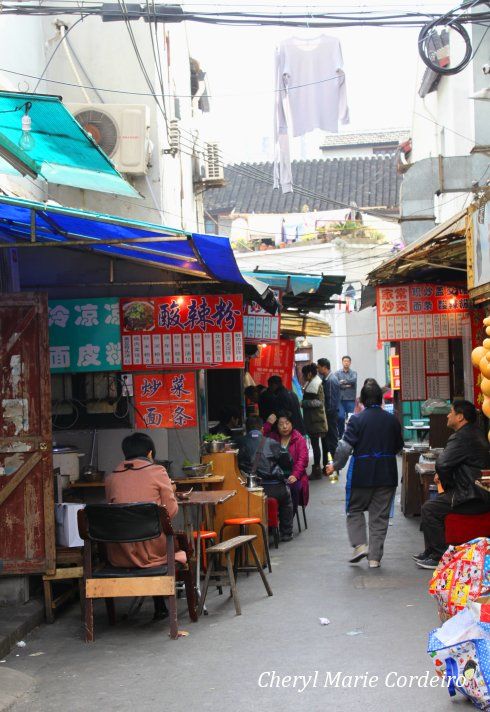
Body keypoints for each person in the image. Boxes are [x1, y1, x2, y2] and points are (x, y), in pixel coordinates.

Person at [104, 432, 184, 620]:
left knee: (145, 534)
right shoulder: (158, 472)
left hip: (120, 553)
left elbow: (113, 513)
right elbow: (170, 512)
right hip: (152, 551)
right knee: (171, 540)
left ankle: (158, 604)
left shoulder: (111, 478)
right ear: (150, 454)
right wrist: (170, 491)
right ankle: (162, 603)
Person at [325, 380, 404, 568]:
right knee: (380, 516)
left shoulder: (357, 420)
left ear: (362, 401)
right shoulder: (392, 419)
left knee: (354, 509)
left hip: (362, 473)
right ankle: (375, 558)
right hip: (387, 473)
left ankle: (360, 545)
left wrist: (336, 466)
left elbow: (344, 448)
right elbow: (398, 446)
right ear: (381, 399)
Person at [415, 399, 490, 570]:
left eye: (451, 412)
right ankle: (431, 551)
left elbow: (442, 464)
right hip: (477, 491)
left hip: (471, 496)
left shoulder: (462, 437)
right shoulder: (475, 432)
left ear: (460, 417)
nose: (447, 415)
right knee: (433, 505)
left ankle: (440, 556)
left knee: (429, 509)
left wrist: (447, 484)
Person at [237, 415, 294, 542]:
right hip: (274, 487)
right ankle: (286, 532)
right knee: (286, 500)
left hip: (252, 489)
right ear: (262, 429)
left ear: (246, 430)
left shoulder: (239, 443)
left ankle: (259, 532)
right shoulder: (272, 443)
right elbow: (288, 460)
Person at [263, 410, 309, 521]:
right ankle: (272, 520)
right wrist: (268, 424)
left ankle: (287, 520)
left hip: (294, 476)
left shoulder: (299, 439)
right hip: (275, 476)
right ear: (276, 426)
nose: (284, 426)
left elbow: (303, 460)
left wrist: (295, 475)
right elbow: (260, 436)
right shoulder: (272, 438)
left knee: (293, 488)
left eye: (287, 423)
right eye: (281, 424)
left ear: (292, 424)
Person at [301, 363, 328, 479]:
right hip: (314, 419)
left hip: (316, 420)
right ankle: (319, 469)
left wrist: (304, 403)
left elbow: (319, 402)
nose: (302, 376)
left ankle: (317, 470)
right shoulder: (313, 383)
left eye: (304, 374)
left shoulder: (316, 384)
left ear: (309, 374)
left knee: (316, 446)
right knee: (316, 445)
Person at [317, 358, 340, 460]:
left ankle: (334, 466)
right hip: (328, 414)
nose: (317, 369)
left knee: (332, 440)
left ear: (324, 367)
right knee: (327, 440)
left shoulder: (331, 380)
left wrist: (325, 415)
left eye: (319, 367)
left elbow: (331, 401)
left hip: (330, 415)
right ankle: (329, 465)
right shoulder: (326, 379)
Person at [335, 356, 357, 438]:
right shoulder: (337, 373)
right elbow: (336, 383)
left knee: (351, 419)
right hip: (340, 400)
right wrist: (346, 385)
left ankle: (350, 436)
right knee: (340, 417)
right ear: (342, 362)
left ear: (350, 363)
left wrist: (342, 383)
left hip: (350, 399)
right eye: (344, 361)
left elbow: (353, 381)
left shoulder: (353, 373)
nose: (346, 363)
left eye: (348, 361)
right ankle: (341, 435)